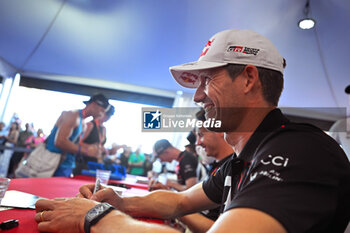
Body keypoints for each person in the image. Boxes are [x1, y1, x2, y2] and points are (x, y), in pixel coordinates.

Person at [35, 29, 350, 233]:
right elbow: (179, 202)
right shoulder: (241, 159)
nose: (198, 96)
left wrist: (94, 217)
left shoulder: (299, 149)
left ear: (249, 79)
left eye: (207, 81)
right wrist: (120, 202)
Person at [179, 109, 234, 232]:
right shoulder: (215, 167)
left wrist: (176, 210)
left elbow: (220, 229)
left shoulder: (234, 170)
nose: (198, 143)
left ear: (220, 130)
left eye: (201, 135)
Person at [74, 104, 115, 175]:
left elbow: (100, 145)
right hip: (84, 161)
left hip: (96, 162)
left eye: (109, 116)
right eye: (107, 115)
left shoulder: (104, 129)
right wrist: (90, 147)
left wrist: (104, 149)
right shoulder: (90, 125)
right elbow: (77, 142)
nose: (107, 118)